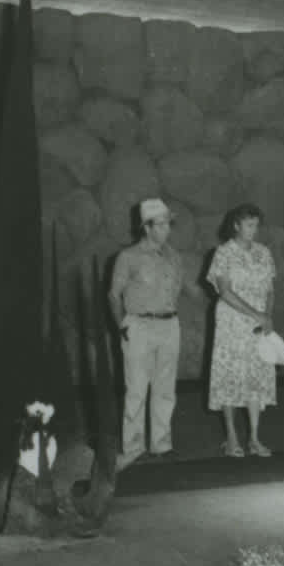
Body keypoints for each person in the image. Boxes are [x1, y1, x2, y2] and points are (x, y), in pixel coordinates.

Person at [109, 197, 184, 471]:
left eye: (168, 224)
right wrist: (123, 325)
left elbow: (175, 289)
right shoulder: (128, 257)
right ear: (147, 227)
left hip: (168, 324)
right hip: (138, 325)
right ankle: (134, 449)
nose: (167, 229)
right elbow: (114, 295)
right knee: (136, 389)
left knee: (165, 389)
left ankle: (162, 446)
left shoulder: (174, 256)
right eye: (161, 224)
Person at [207, 203, 277, 458]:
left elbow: (270, 288)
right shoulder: (224, 253)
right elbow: (225, 291)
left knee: (256, 376)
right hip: (233, 321)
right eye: (249, 225)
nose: (253, 230)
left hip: (258, 324)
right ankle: (232, 437)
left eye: (256, 225)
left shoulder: (264, 252)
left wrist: (267, 315)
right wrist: (256, 314)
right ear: (236, 225)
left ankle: (255, 438)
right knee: (230, 375)